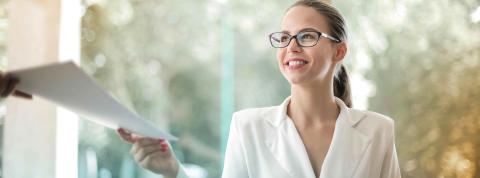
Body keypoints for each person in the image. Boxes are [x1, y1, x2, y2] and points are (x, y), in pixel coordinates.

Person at [1, 1, 401, 177]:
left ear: (340, 51)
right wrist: (173, 171)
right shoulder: (249, 127)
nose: (291, 46)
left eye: (307, 35)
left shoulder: (378, 131)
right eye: (283, 37)